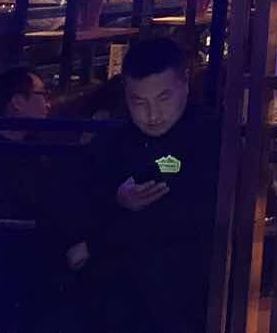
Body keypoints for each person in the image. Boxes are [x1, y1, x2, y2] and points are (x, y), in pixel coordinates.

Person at [65, 37, 219, 333]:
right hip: (116, 303)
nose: (153, 114)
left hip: (190, 300)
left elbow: (189, 221)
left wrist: (98, 241)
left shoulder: (212, 138)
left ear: (185, 84)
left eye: (163, 98)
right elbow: (73, 209)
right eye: (139, 102)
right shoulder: (111, 144)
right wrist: (116, 203)